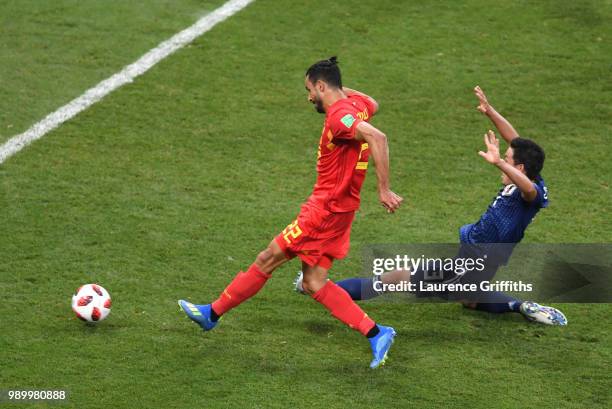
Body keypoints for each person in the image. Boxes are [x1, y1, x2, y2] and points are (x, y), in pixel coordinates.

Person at [179, 57, 404, 368]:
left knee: (267, 258)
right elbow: (373, 103)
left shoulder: (340, 117)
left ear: (321, 86)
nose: (309, 97)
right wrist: (337, 91)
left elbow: (377, 137)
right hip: (342, 211)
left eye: (310, 89)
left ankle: (212, 314)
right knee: (314, 281)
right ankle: (377, 333)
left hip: (323, 213)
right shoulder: (355, 106)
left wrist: (383, 188)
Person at [296, 86, 567, 326]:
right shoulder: (531, 171)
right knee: (469, 299)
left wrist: (499, 162)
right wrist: (490, 112)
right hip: (479, 256)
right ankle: (521, 306)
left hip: (475, 260)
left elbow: (527, 189)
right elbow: (516, 141)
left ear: (519, 167)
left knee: (395, 279)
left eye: (509, 159)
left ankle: (317, 286)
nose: (504, 158)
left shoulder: (530, 192)